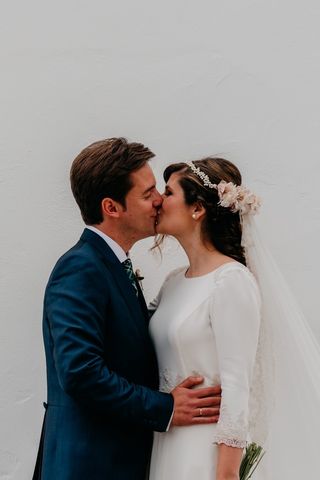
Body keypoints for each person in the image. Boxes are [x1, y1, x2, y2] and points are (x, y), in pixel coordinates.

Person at [33, 138, 222, 480]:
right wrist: (166, 408)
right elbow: (81, 372)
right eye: (148, 193)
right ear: (112, 207)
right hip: (89, 466)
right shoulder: (80, 268)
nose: (159, 201)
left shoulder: (112, 265)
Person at [149, 157, 320, 479]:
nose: (158, 200)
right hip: (167, 440)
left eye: (168, 193)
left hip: (205, 450)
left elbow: (238, 385)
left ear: (197, 209)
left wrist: (226, 473)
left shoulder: (231, 281)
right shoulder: (173, 282)